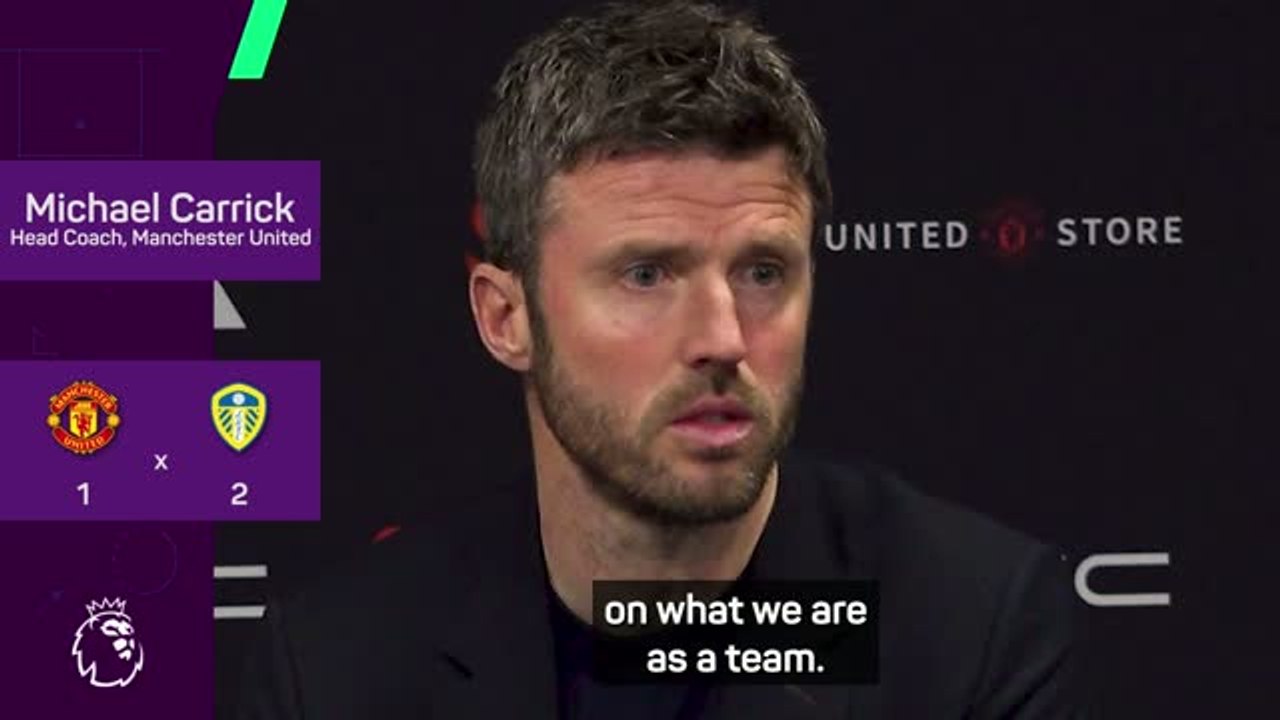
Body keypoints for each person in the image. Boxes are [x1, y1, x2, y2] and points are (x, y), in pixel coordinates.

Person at [237, 2, 1089, 718]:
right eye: (646, 274)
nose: (723, 337)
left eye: (762, 272)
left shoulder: (970, 631)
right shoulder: (338, 669)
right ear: (506, 316)